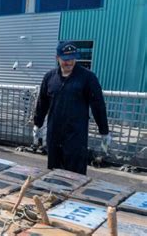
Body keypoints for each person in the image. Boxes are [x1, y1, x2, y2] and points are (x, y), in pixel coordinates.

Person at [33, 41, 110, 175]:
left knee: (75, 174)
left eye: (72, 59)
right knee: (54, 172)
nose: (69, 62)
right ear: (57, 58)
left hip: (76, 134)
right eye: (65, 59)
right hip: (54, 133)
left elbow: (98, 104)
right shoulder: (50, 77)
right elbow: (42, 102)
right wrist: (37, 124)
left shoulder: (87, 77)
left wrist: (104, 130)